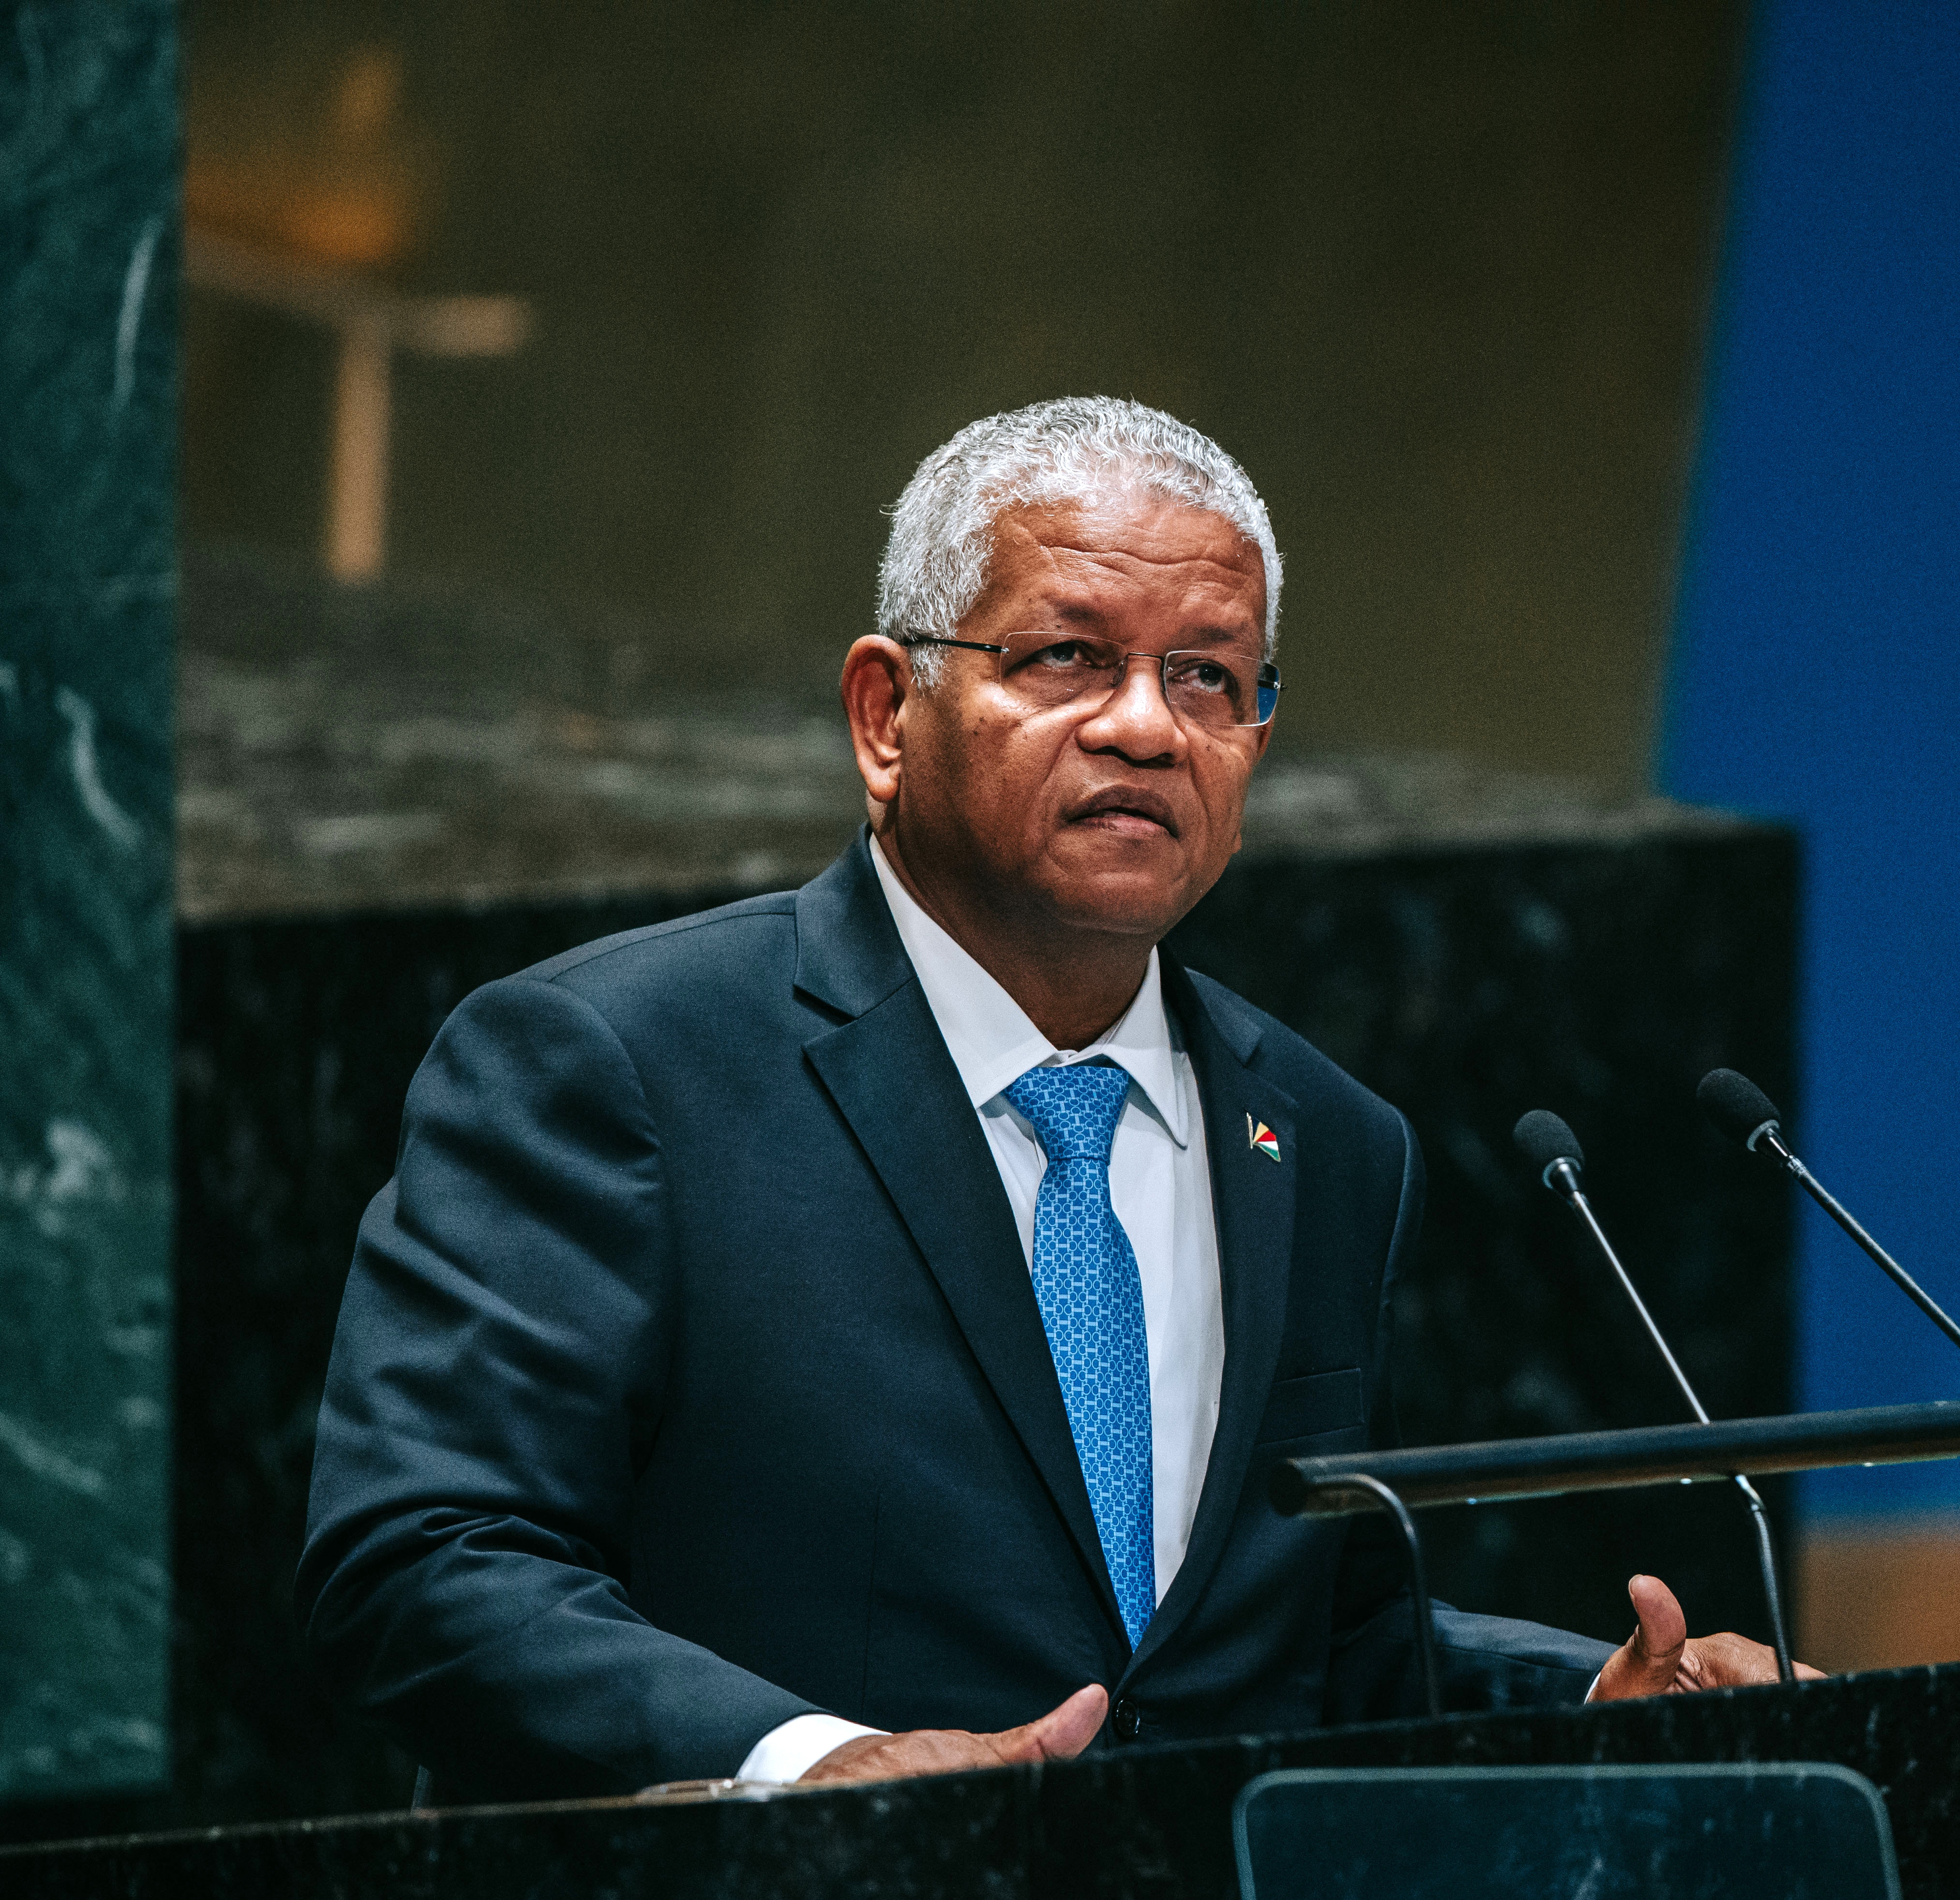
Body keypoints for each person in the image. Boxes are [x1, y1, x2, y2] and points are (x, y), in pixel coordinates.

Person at [299, 396, 1807, 1805]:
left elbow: (1303, 1641)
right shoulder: (615, 1062)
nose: (1148, 726)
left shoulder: (1326, 1140)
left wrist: (1584, 1701)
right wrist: (810, 1765)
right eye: (1069, 658)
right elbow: (425, 1563)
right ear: (888, 716)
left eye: (1208, 676)